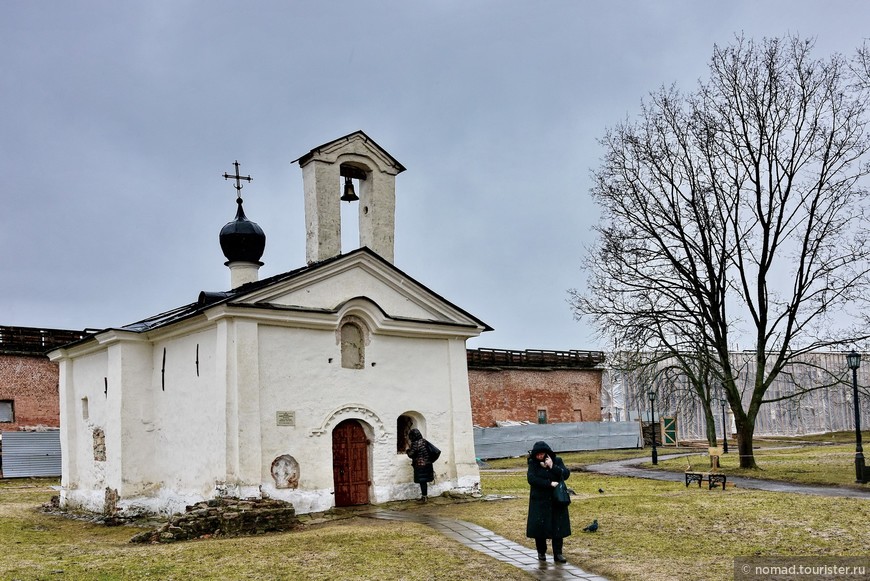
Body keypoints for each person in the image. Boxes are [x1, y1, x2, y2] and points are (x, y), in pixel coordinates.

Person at [526, 440, 571, 563]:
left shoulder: (557, 461)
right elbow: (532, 479)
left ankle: (558, 553)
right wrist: (549, 483)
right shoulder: (533, 464)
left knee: (558, 528)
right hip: (540, 501)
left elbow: (565, 474)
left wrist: (552, 467)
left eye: (542, 454)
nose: (540, 456)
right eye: (538, 454)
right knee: (540, 529)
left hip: (556, 500)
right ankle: (541, 552)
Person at [406, 428, 434, 502]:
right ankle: (424, 496)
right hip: (428, 464)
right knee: (424, 481)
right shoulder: (424, 441)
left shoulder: (415, 443)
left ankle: (424, 497)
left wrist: (407, 450)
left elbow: (411, 454)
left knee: (422, 481)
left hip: (420, 465)